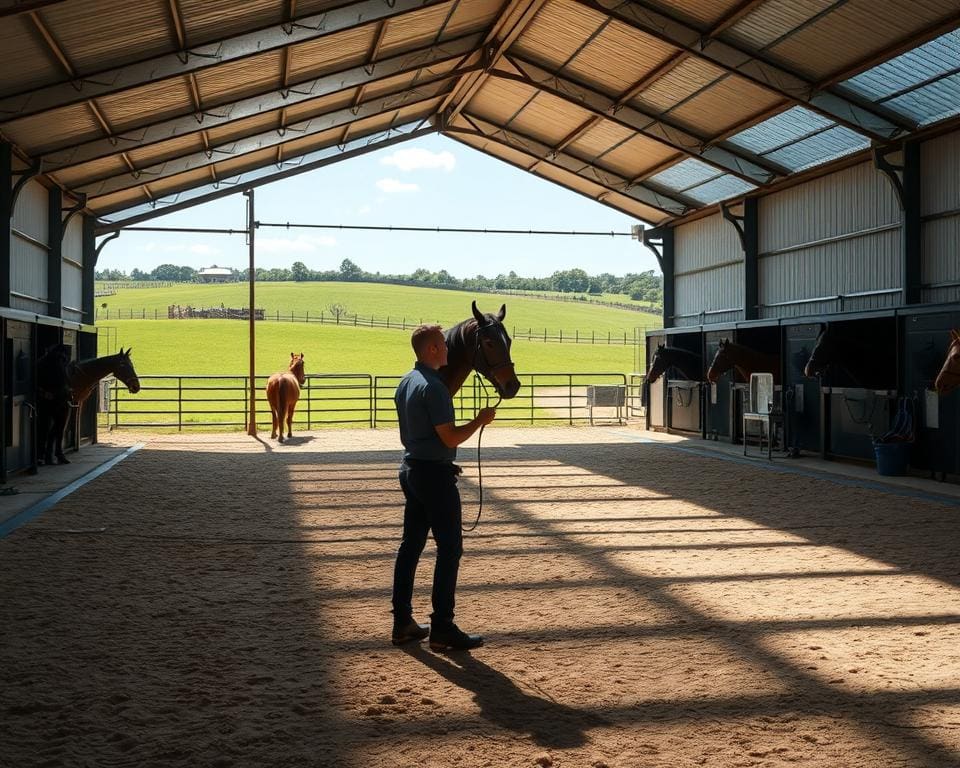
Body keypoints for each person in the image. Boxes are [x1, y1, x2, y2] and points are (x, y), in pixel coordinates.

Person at [391, 324, 496, 651]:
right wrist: (479, 420)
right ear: (432, 349)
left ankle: (402, 622)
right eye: (443, 345)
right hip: (434, 476)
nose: (448, 349)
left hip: (411, 470)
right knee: (450, 550)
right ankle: (443, 627)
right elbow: (449, 438)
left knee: (411, 546)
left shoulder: (406, 382)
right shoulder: (435, 388)